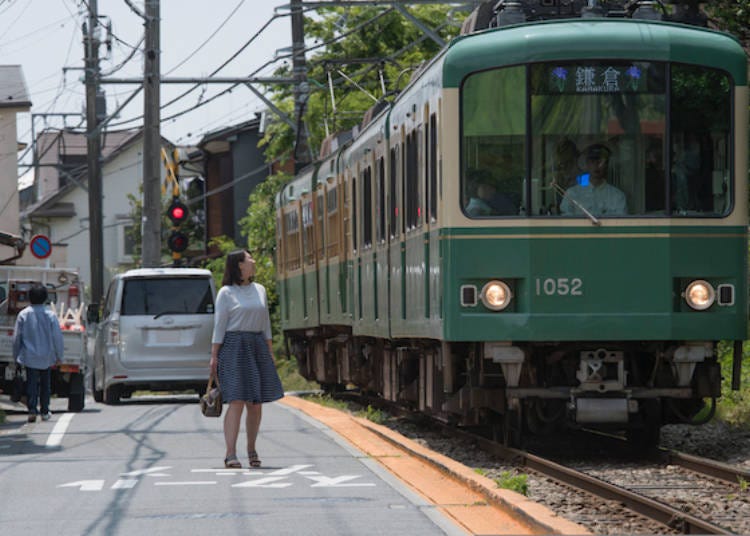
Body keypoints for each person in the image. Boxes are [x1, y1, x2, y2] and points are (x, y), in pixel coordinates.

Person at [210, 249, 284, 469]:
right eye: (249, 259)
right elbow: (219, 326)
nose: (253, 261)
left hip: (257, 345)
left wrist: (270, 351)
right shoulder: (226, 293)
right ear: (239, 265)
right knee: (237, 400)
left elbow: (266, 324)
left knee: (256, 402)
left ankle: (252, 448)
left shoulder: (259, 289)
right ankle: (230, 453)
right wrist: (214, 356)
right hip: (233, 347)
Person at [12, 285, 63, 423]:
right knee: (46, 385)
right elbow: (57, 337)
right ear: (45, 298)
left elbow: (17, 337)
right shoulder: (50, 315)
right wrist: (59, 356)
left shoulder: (23, 314)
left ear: (30, 297)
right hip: (46, 356)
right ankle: (45, 411)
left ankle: (32, 410)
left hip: (29, 355)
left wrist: (16, 356)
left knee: (31, 384)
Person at [560, 143, 627, 216]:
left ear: (607, 165)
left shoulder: (617, 196)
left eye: (600, 162)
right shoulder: (572, 194)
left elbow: (620, 224)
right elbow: (566, 222)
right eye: (592, 162)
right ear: (587, 164)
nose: (596, 165)